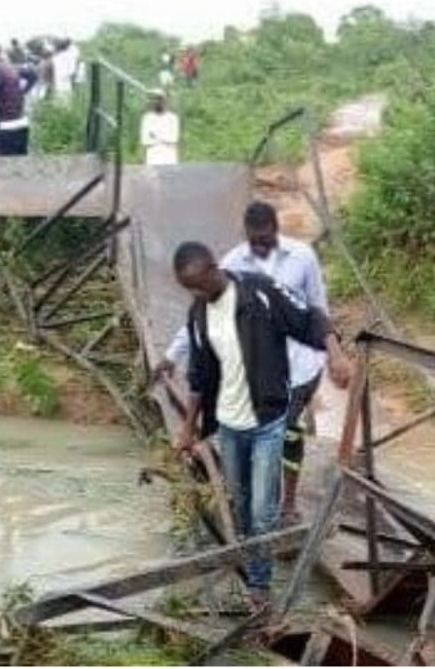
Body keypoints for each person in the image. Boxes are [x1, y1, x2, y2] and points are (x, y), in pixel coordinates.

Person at [171, 241, 350, 611]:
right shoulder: (199, 314)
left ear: (213, 267)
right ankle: (252, 562)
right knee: (241, 503)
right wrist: (188, 429)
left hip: (268, 419)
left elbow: (309, 318)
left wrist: (335, 354)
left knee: (263, 510)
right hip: (230, 425)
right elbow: (199, 377)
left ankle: (259, 588)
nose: (198, 292)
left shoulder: (260, 292)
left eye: (200, 283)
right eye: (190, 287)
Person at [157, 202, 330, 524]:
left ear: (275, 229)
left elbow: (316, 307)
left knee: (289, 433)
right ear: (245, 234)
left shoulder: (302, 257)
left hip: (300, 364)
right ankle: (258, 508)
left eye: (266, 238)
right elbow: (201, 315)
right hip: (257, 367)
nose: (260, 245)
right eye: (255, 239)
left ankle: (287, 505)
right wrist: (171, 355)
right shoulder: (232, 263)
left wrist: (333, 353)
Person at [140, 89, 179, 165]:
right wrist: (163, 138)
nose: (156, 102)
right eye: (153, 99)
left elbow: (173, 139)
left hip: (169, 157)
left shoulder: (172, 118)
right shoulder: (147, 118)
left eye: (158, 99)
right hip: (153, 157)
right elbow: (145, 141)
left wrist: (155, 136)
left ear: (164, 101)